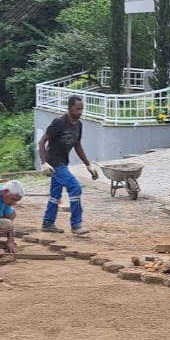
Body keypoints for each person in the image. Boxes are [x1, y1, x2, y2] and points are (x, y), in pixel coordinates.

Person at [38, 95, 98, 235]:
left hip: (63, 161)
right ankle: (76, 224)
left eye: (82, 109)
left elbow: (77, 145)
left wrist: (88, 165)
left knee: (55, 194)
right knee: (75, 188)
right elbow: (42, 142)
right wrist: (44, 163)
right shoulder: (59, 122)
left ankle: (48, 223)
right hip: (54, 162)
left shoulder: (79, 125)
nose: (80, 112)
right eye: (77, 109)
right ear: (70, 108)